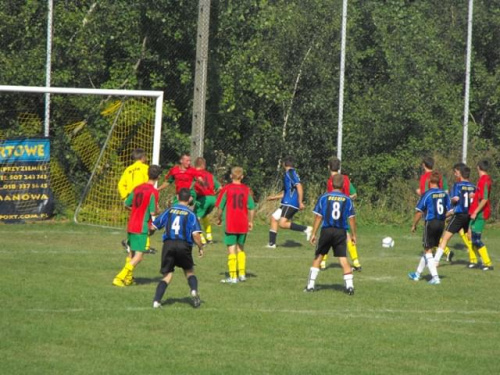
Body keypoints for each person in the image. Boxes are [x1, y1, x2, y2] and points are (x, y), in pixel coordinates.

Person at [151, 188, 204, 308]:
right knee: (189, 272)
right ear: (190, 199)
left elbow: (154, 226)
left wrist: (148, 233)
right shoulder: (191, 214)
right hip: (183, 245)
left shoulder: (169, 210)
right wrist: (200, 247)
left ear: (177, 197)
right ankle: (194, 290)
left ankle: (156, 301)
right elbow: (196, 235)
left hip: (168, 244)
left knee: (167, 275)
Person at [304, 174, 357, 295]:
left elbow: (318, 217)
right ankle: (350, 286)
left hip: (326, 230)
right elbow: (352, 218)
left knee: (319, 256)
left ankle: (310, 286)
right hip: (340, 232)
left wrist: (313, 233)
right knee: (343, 259)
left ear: (331, 184)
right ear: (344, 185)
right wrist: (353, 234)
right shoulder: (347, 199)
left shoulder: (324, 197)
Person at [112, 165, 162, 287]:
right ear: (159, 177)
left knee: (132, 253)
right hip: (141, 226)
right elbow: (152, 212)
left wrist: (136, 210)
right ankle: (119, 277)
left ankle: (128, 279)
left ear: (147, 174)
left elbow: (126, 203)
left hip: (132, 223)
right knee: (139, 256)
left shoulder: (137, 188)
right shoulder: (153, 192)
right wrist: (159, 210)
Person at [409, 171, 452, 285]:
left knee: (428, 249)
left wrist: (414, 225)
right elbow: (451, 211)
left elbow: (419, 212)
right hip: (441, 223)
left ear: (429, 181)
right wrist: (442, 216)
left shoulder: (428, 194)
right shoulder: (444, 194)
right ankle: (417, 274)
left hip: (431, 223)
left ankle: (435, 277)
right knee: (429, 248)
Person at [216, 166, 255, 284]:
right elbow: (252, 208)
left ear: (231, 176)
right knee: (241, 248)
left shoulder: (227, 189)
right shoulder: (246, 189)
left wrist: (218, 218)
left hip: (231, 223)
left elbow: (219, 207)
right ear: (242, 177)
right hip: (243, 223)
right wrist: (250, 221)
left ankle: (233, 276)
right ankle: (242, 274)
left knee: (231, 249)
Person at [321, 157, 361, 271]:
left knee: (328, 234)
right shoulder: (346, 179)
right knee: (346, 235)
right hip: (345, 210)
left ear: (329, 167)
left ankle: (322, 262)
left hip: (332, 212)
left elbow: (330, 198)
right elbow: (354, 194)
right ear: (339, 167)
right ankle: (356, 262)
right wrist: (347, 199)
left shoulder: (331, 181)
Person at [266, 156, 312, 249]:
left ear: (284, 164)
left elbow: (299, 186)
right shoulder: (290, 173)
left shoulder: (290, 173)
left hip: (291, 203)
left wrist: (300, 202)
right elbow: (288, 192)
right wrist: (274, 197)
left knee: (282, 223)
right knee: (274, 218)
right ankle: (272, 244)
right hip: (287, 202)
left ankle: (306, 229)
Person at [434, 164, 476, 266]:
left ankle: (435, 262)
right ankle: (474, 260)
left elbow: (453, 201)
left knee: (445, 238)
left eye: (455, 172)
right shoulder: (474, 187)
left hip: (459, 215)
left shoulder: (457, 185)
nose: (454, 173)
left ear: (460, 172)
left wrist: (450, 206)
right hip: (469, 215)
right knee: (469, 238)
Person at [117, 148, 155, 254]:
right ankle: (142, 246)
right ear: (142, 157)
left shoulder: (128, 169)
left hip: (131, 198)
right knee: (147, 221)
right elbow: (147, 183)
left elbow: (120, 184)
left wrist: (125, 197)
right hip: (142, 198)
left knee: (137, 221)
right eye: (146, 156)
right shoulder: (145, 168)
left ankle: (131, 242)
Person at [415, 156, 453, 262]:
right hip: (442, 208)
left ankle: (445, 252)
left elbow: (425, 194)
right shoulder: (440, 176)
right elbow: (446, 192)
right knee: (437, 231)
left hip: (430, 209)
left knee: (430, 232)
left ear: (424, 165)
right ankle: (445, 251)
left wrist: (419, 193)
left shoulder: (425, 177)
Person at [468, 160, 493, 271]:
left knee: (476, 239)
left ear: (478, 167)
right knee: (470, 236)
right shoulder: (481, 180)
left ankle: (488, 263)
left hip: (480, 214)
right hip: (476, 212)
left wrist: (475, 212)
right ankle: (474, 260)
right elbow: (481, 195)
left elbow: (485, 199)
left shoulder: (485, 180)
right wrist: (475, 194)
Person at [193, 157, 221, 245]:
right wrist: (214, 193)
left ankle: (201, 239)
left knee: (196, 218)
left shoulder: (194, 174)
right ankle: (209, 237)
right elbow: (220, 187)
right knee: (204, 216)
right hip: (213, 199)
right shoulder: (209, 175)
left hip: (203, 199)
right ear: (203, 165)